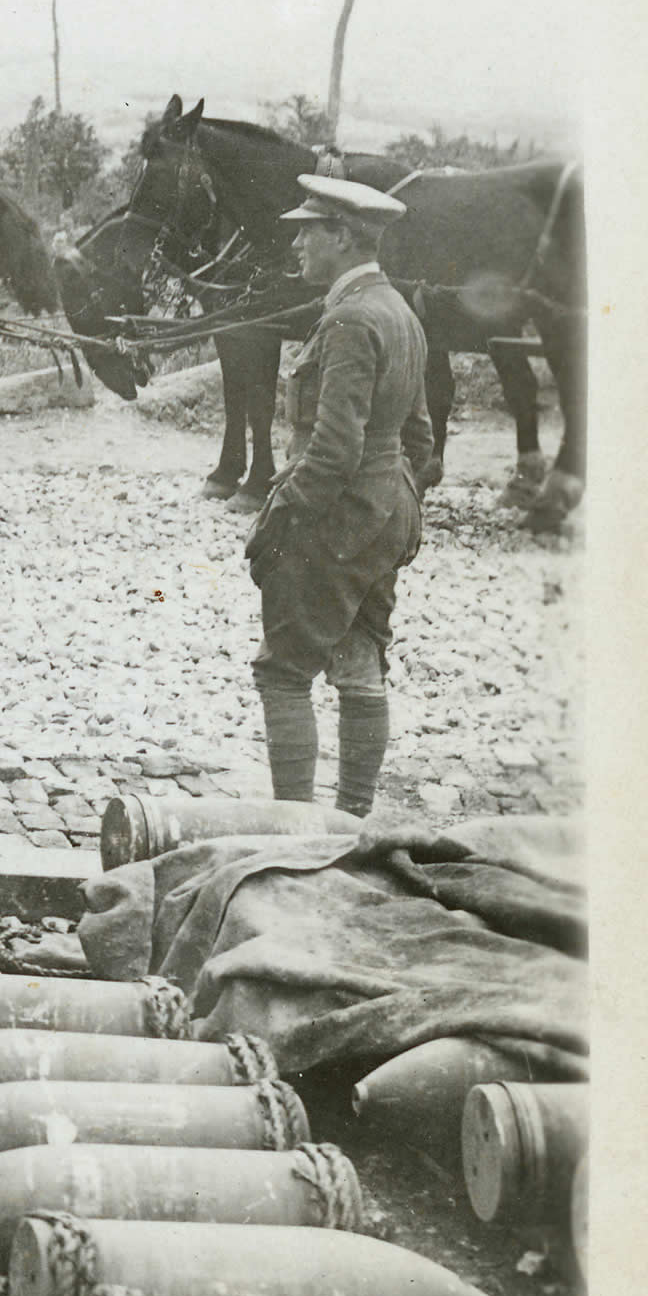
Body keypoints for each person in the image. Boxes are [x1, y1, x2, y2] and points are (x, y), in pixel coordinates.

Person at [244, 175, 430, 816]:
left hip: (338, 512)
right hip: (386, 510)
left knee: (284, 670)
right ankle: (352, 826)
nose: (297, 244)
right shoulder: (399, 311)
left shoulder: (350, 318)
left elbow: (332, 449)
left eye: (307, 231)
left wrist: (284, 515)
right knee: (358, 658)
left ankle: (295, 831)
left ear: (342, 237)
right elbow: (421, 437)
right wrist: (394, 500)